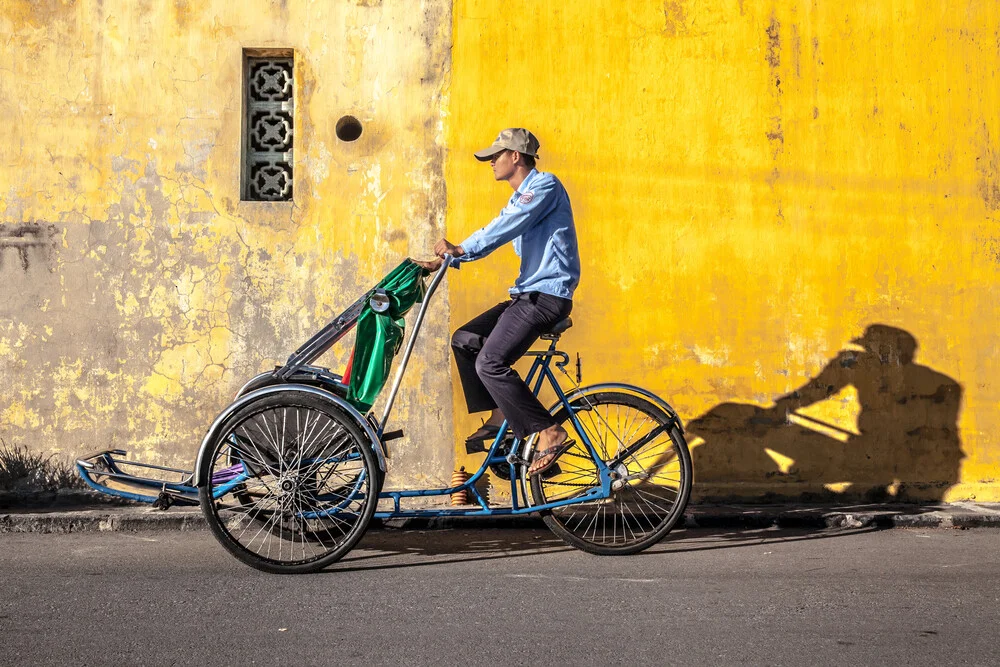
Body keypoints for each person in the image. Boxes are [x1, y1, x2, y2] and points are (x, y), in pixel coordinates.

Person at [414, 128, 581, 477]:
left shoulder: (544, 186)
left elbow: (505, 226)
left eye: (496, 155)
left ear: (515, 156)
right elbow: (497, 232)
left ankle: (549, 431)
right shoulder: (521, 197)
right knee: (465, 339)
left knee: (490, 362)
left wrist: (461, 247)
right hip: (527, 295)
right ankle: (502, 415)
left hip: (546, 296)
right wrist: (446, 261)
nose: (491, 161)